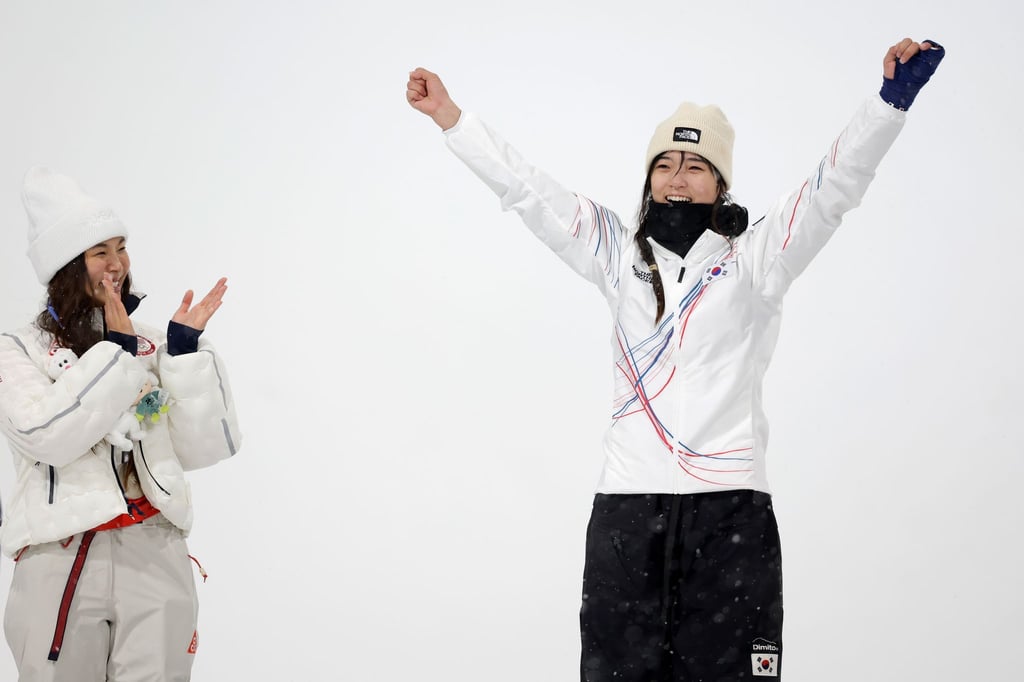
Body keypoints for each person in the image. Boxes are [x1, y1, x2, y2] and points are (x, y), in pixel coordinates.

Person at [407, 37, 943, 681]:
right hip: (627, 519)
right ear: (649, 178)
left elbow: (834, 187)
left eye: (695, 164)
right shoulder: (616, 253)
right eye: (665, 164)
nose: (677, 177)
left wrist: (889, 103)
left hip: (729, 515)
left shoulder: (756, 257)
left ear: (720, 182)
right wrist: (452, 119)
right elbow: (530, 191)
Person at [0, 166, 242, 681]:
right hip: (60, 555)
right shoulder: (18, 349)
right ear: (67, 266)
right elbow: (47, 436)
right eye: (99, 252)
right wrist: (117, 352)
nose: (117, 263)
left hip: (155, 549)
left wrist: (181, 353)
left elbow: (204, 448)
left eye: (121, 247)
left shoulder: (149, 341)